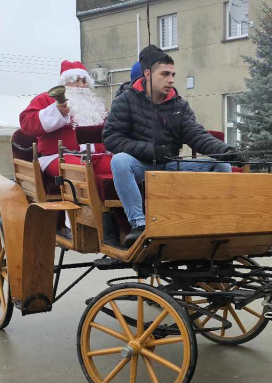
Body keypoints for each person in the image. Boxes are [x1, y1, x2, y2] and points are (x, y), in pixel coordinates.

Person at [104, 45, 242, 246]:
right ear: (148, 74)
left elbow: (196, 134)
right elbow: (112, 139)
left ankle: (220, 219)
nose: (171, 80)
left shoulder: (179, 105)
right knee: (119, 161)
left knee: (221, 165)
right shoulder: (125, 101)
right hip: (140, 165)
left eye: (173, 74)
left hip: (170, 164)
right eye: (165, 74)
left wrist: (226, 151)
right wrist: (152, 151)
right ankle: (139, 224)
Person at [19, 60, 121, 246]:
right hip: (56, 157)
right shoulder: (45, 99)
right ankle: (83, 226)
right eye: (75, 80)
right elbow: (26, 123)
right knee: (79, 171)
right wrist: (55, 112)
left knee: (121, 169)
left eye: (84, 80)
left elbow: (109, 132)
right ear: (65, 83)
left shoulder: (95, 104)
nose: (81, 85)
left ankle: (122, 223)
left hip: (96, 157)